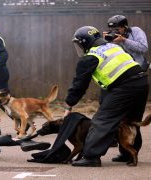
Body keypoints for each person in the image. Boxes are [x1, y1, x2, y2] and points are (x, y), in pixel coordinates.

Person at [63, 26, 148, 167]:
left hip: (125, 87)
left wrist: (69, 105)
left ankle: (91, 157)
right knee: (130, 121)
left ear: (84, 42)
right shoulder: (113, 47)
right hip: (141, 83)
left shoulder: (90, 57)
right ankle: (128, 154)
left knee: (102, 121)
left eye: (79, 43)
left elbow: (79, 85)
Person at [104, 15, 149, 160]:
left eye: (117, 29)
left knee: (133, 118)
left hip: (138, 76)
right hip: (122, 79)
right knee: (121, 119)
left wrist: (124, 40)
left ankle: (132, 152)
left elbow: (143, 48)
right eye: (112, 29)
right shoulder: (113, 39)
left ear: (125, 26)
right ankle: (124, 152)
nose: (115, 32)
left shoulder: (136, 32)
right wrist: (105, 42)